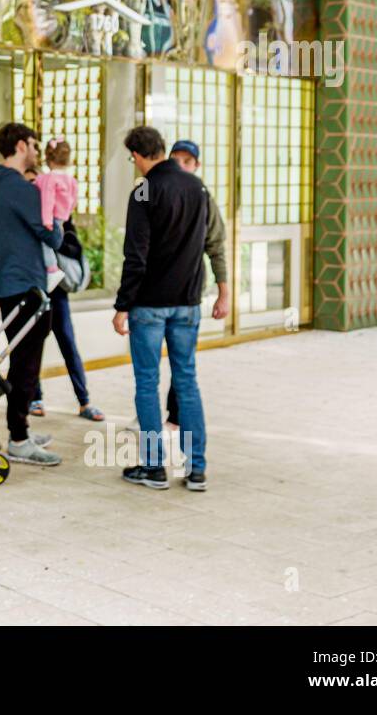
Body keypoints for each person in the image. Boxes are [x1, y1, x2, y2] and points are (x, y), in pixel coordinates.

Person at [112, 126, 209, 491]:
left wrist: (123, 305)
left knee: (148, 383)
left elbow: (135, 255)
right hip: (187, 303)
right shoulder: (196, 187)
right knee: (187, 381)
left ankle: (154, 468)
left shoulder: (144, 190)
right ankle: (196, 468)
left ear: (137, 156)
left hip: (150, 305)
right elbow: (200, 244)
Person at [0, 122, 65, 466]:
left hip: (5, 282)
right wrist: (58, 221)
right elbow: (54, 236)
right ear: (19, 146)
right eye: (32, 144)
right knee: (27, 364)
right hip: (27, 285)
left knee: (21, 359)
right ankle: (18, 438)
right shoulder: (21, 188)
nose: (36, 150)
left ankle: (22, 429)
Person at [32, 139, 103, 421]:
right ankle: (35, 397)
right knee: (35, 342)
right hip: (38, 282)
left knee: (66, 340)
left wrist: (49, 227)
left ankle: (83, 400)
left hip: (55, 285)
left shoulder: (46, 184)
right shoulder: (68, 183)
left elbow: (57, 226)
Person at [165, 140, 229, 429]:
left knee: (183, 361)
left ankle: (175, 415)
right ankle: (157, 415)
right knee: (152, 366)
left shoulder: (204, 198)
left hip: (188, 294)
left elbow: (216, 246)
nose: (181, 166)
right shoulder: (155, 192)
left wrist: (223, 292)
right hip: (155, 294)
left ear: (197, 166)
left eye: (187, 161)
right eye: (176, 160)